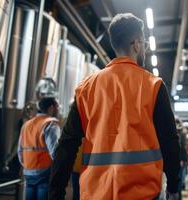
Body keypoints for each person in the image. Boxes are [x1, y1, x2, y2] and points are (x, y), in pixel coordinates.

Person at [49, 13, 180, 200]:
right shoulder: (153, 86)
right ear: (136, 44)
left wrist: (55, 193)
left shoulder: (86, 88)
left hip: (95, 193)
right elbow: (170, 142)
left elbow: (66, 146)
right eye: (144, 44)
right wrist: (173, 185)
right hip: (142, 194)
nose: (145, 49)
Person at [17, 97, 61, 200]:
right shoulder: (50, 123)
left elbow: (20, 150)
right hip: (44, 170)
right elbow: (55, 151)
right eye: (57, 107)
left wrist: (26, 165)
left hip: (28, 169)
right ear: (51, 108)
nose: (58, 110)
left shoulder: (27, 124)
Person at [175, 117, 187, 199]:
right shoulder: (183, 132)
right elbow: (183, 147)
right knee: (180, 179)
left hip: (171, 159)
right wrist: (185, 159)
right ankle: (179, 197)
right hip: (180, 159)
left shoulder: (169, 130)